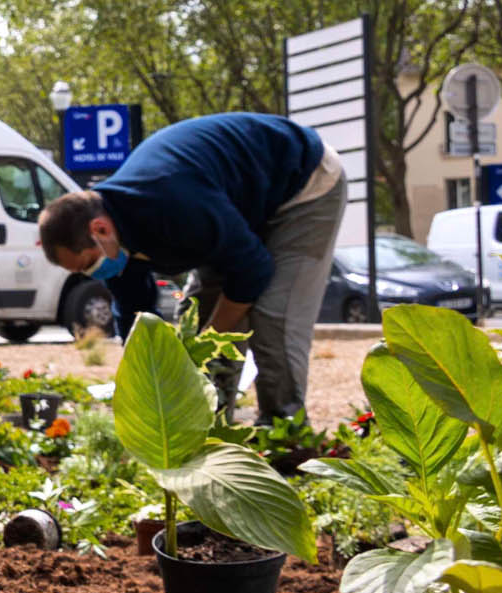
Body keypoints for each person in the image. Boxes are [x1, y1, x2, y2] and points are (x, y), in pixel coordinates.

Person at [35, 112, 345, 421]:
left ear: (100, 230)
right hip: (236, 209)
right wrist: (147, 379)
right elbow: (137, 317)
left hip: (304, 184)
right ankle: (206, 426)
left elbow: (252, 271)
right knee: (194, 321)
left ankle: (284, 437)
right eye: (83, 272)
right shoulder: (115, 239)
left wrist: (204, 348)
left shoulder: (170, 203)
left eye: (90, 264)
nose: (93, 274)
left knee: (273, 318)